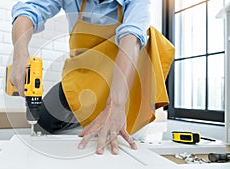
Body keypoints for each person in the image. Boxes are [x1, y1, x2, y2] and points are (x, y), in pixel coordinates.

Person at [10, 0, 174, 155]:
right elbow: (28, 11)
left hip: (122, 77)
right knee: (42, 124)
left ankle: (118, 113)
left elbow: (131, 39)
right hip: (83, 75)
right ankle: (89, 115)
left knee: (146, 34)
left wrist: (116, 104)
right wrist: (20, 53)